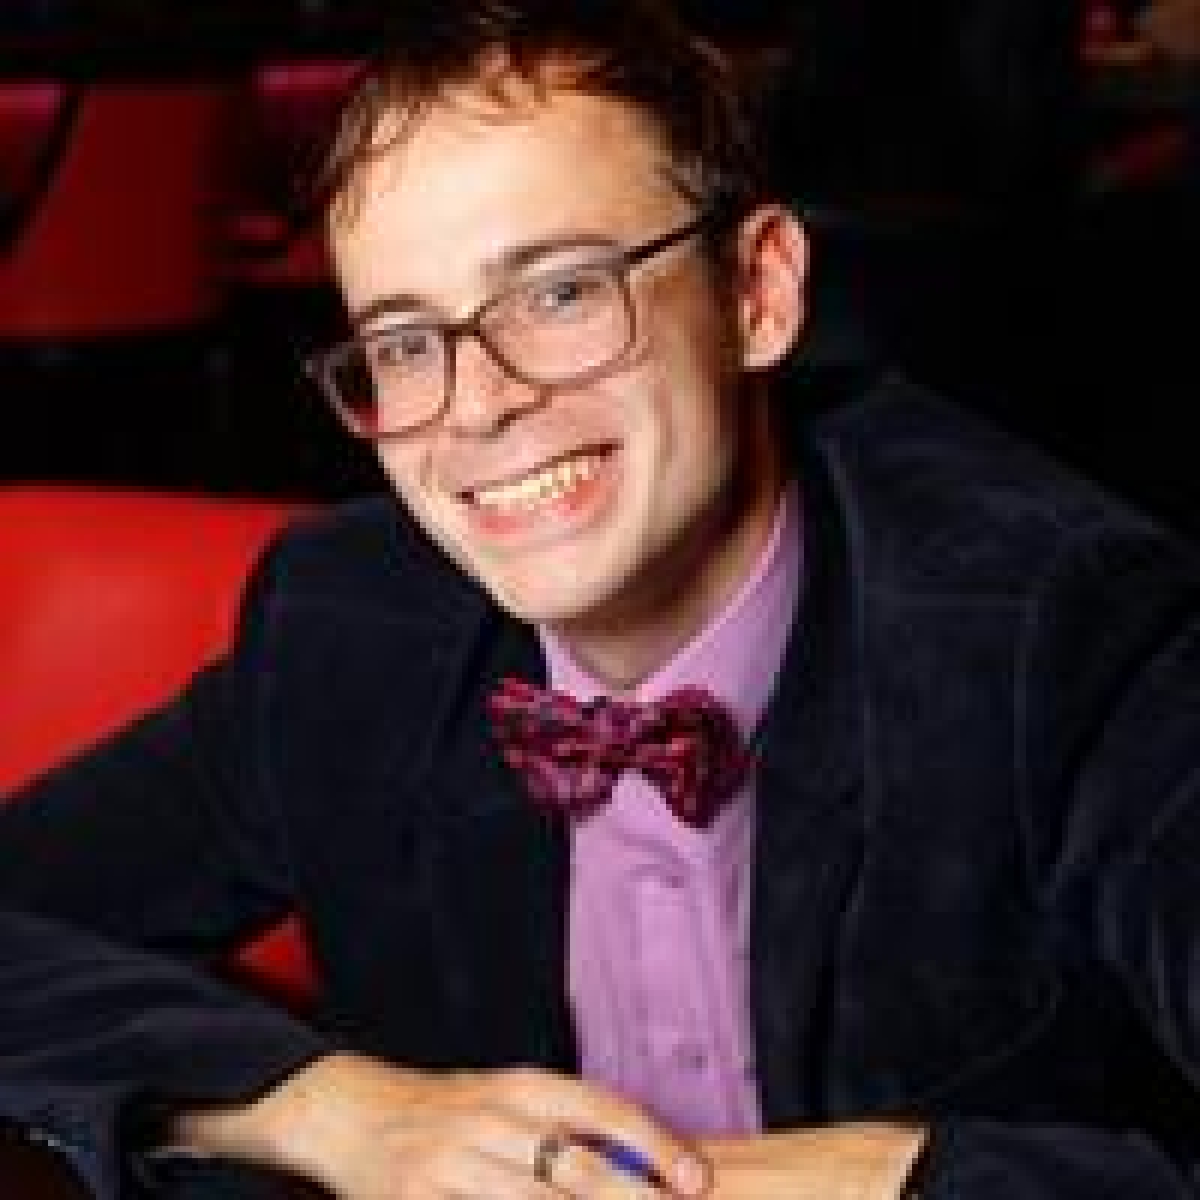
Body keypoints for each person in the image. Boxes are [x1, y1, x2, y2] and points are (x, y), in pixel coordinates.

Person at [2, 1, 1199, 1196]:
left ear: (758, 292)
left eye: (561, 293)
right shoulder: (348, 630)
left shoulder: (1062, 627)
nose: (481, 405)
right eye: (407, 343)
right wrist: (317, 1110)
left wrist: (892, 1178)